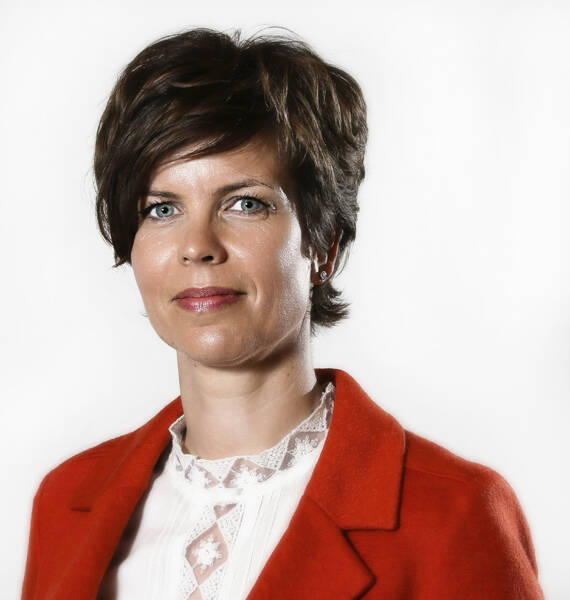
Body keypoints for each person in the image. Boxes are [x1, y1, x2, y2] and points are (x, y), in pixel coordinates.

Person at [21, 28, 544, 600]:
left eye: (245, 203)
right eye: (162, 209)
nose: (197, 246)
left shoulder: (454, 513)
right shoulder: (65, 503)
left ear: (324, 245)